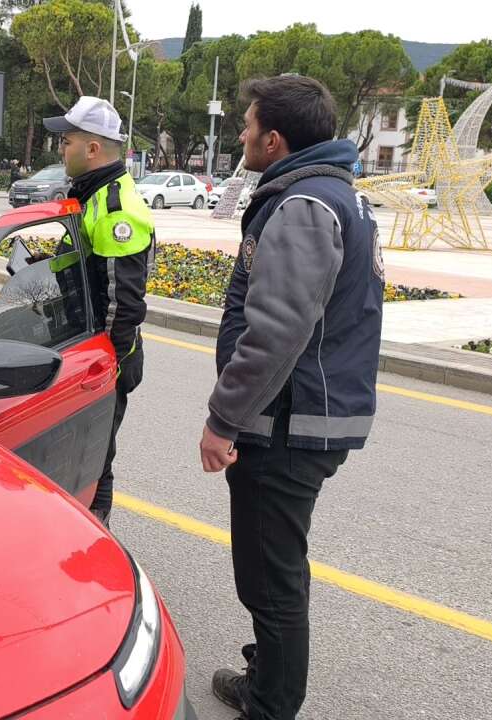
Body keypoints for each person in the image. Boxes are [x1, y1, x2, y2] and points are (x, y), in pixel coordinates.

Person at [199, 75, 383, 720]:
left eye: (247, 126)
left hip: (284, 421)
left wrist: (224, 419)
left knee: (269, 575)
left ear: (273, 139)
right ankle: (268, 677)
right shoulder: (334, 196)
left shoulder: (305, 204)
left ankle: (270, 704)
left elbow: (277, 329)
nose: (241, 135)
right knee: (277, 562)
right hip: (304, 414)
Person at [42, 96, 154, 528]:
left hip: (102, 358)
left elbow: (123, 303)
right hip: (84, 349)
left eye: (66, 140)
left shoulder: (113, 207)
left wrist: (103, 365)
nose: (60, 148)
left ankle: (93, 533)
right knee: (82, 449)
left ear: (92, 149)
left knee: (93, 456)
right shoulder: (94, 196)